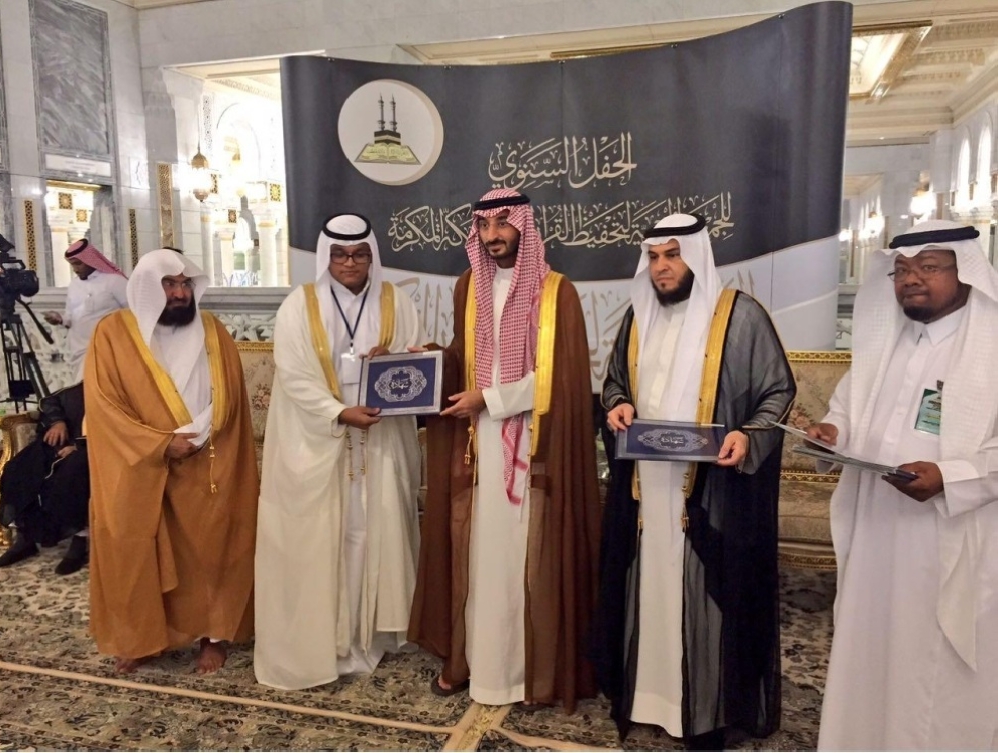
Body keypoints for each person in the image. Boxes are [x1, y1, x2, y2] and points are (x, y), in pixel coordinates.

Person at [592, 213, 795, 749]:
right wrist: (618, 404)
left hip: (711, 489)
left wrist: (748, 435)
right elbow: (614, 383)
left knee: (704, 592)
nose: (662, 267)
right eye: (654, 257)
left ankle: (705, 710)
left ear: (697, 258)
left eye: (673, 255)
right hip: (646, 489)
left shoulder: (741, 316)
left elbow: (777, 391)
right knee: (650, 586)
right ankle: (648, 699)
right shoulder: (637, 318)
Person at [408, 188, 602, 711]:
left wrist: (490, 399)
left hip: (534, 446)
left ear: (523, 226)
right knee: (477, 555)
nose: (492, 235)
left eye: (502, 224)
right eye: (483, 226)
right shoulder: (469, 286)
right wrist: (428, 364)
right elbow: (465, 357)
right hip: (476, 446)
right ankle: (472, 661)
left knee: (523, 557)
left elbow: (559, 377)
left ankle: (522, 673)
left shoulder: (557, 293)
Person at [810, 220, 998, 750]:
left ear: (966, 272)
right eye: (901, 270)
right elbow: (846, 412)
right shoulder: (886, 343)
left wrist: (949, 478)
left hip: (946, 539)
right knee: (870, 649)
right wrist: (832, 433)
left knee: (932, 669)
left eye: (929, 267)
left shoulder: (990, 346)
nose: (911, 279)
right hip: (875, 531)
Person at [254, 214, 423, 690]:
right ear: (327, 257)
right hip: (319, 440)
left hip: (381, 439)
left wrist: (396, 363)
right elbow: (294, 375)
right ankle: (325, 639)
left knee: (373, 532)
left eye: (360, 254)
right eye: (341, 255)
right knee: (328, 538)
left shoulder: (396, 302)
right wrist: (339, 412)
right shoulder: (298, 306)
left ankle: (372, 634)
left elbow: (416, 361)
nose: (350, 263)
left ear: (372, 256)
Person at [84, 248, 258, 675]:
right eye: (169, 284)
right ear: (147, 287)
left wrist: (198, 434)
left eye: (185, 284)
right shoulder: (112, 334)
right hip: (138, 464)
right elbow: (104, 407)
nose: (180, 294)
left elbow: (230, 396)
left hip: (206, 456)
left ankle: (213, 636)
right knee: (134, 553)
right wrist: (160, 443)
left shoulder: (213, 331)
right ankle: (143, 638)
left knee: (212, 549)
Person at [0, 382, 89, 574]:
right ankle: (25, 538)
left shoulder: (116, 394)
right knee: (19, 468)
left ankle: (79, 541)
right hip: (56, 445)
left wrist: (79, 446)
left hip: (88, 451)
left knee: (72, 472)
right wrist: (57, 422)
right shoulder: (79, 389)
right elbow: (50, 400)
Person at [43, 239, 128, 383]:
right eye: (72, 265)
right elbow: (70, 317)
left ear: (90, 260)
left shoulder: (114, 281)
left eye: (78, 263)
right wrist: (60, 319)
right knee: (83, 390)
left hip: (107, 349)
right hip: (79, 350)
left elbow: (133, 312)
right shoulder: (74, 285)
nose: (75, 269)